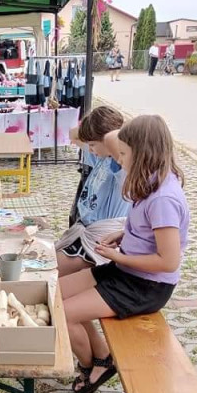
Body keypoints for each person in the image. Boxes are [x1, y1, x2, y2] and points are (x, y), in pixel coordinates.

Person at [61, 115, 189, 393]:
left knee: (62, 314)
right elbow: (148, 231)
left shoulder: (164, 198)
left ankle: (92, 368)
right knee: (55, 293)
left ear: (143, 153)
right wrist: (124, 236)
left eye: (124, 154)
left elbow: (168, 261)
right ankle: (102, 354)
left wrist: (118, 257)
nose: (119, 160)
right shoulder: (152, 181)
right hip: (128, 272)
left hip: (145, 286)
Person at [56, 106, 130, 278]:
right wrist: (93, 126)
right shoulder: (100, 156)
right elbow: (73, 134)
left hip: (99, 240)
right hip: (85, 233)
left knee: (46, 273)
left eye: (93, 145)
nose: (90, 149)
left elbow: (113, 140)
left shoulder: (120, 165)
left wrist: (116, 131)